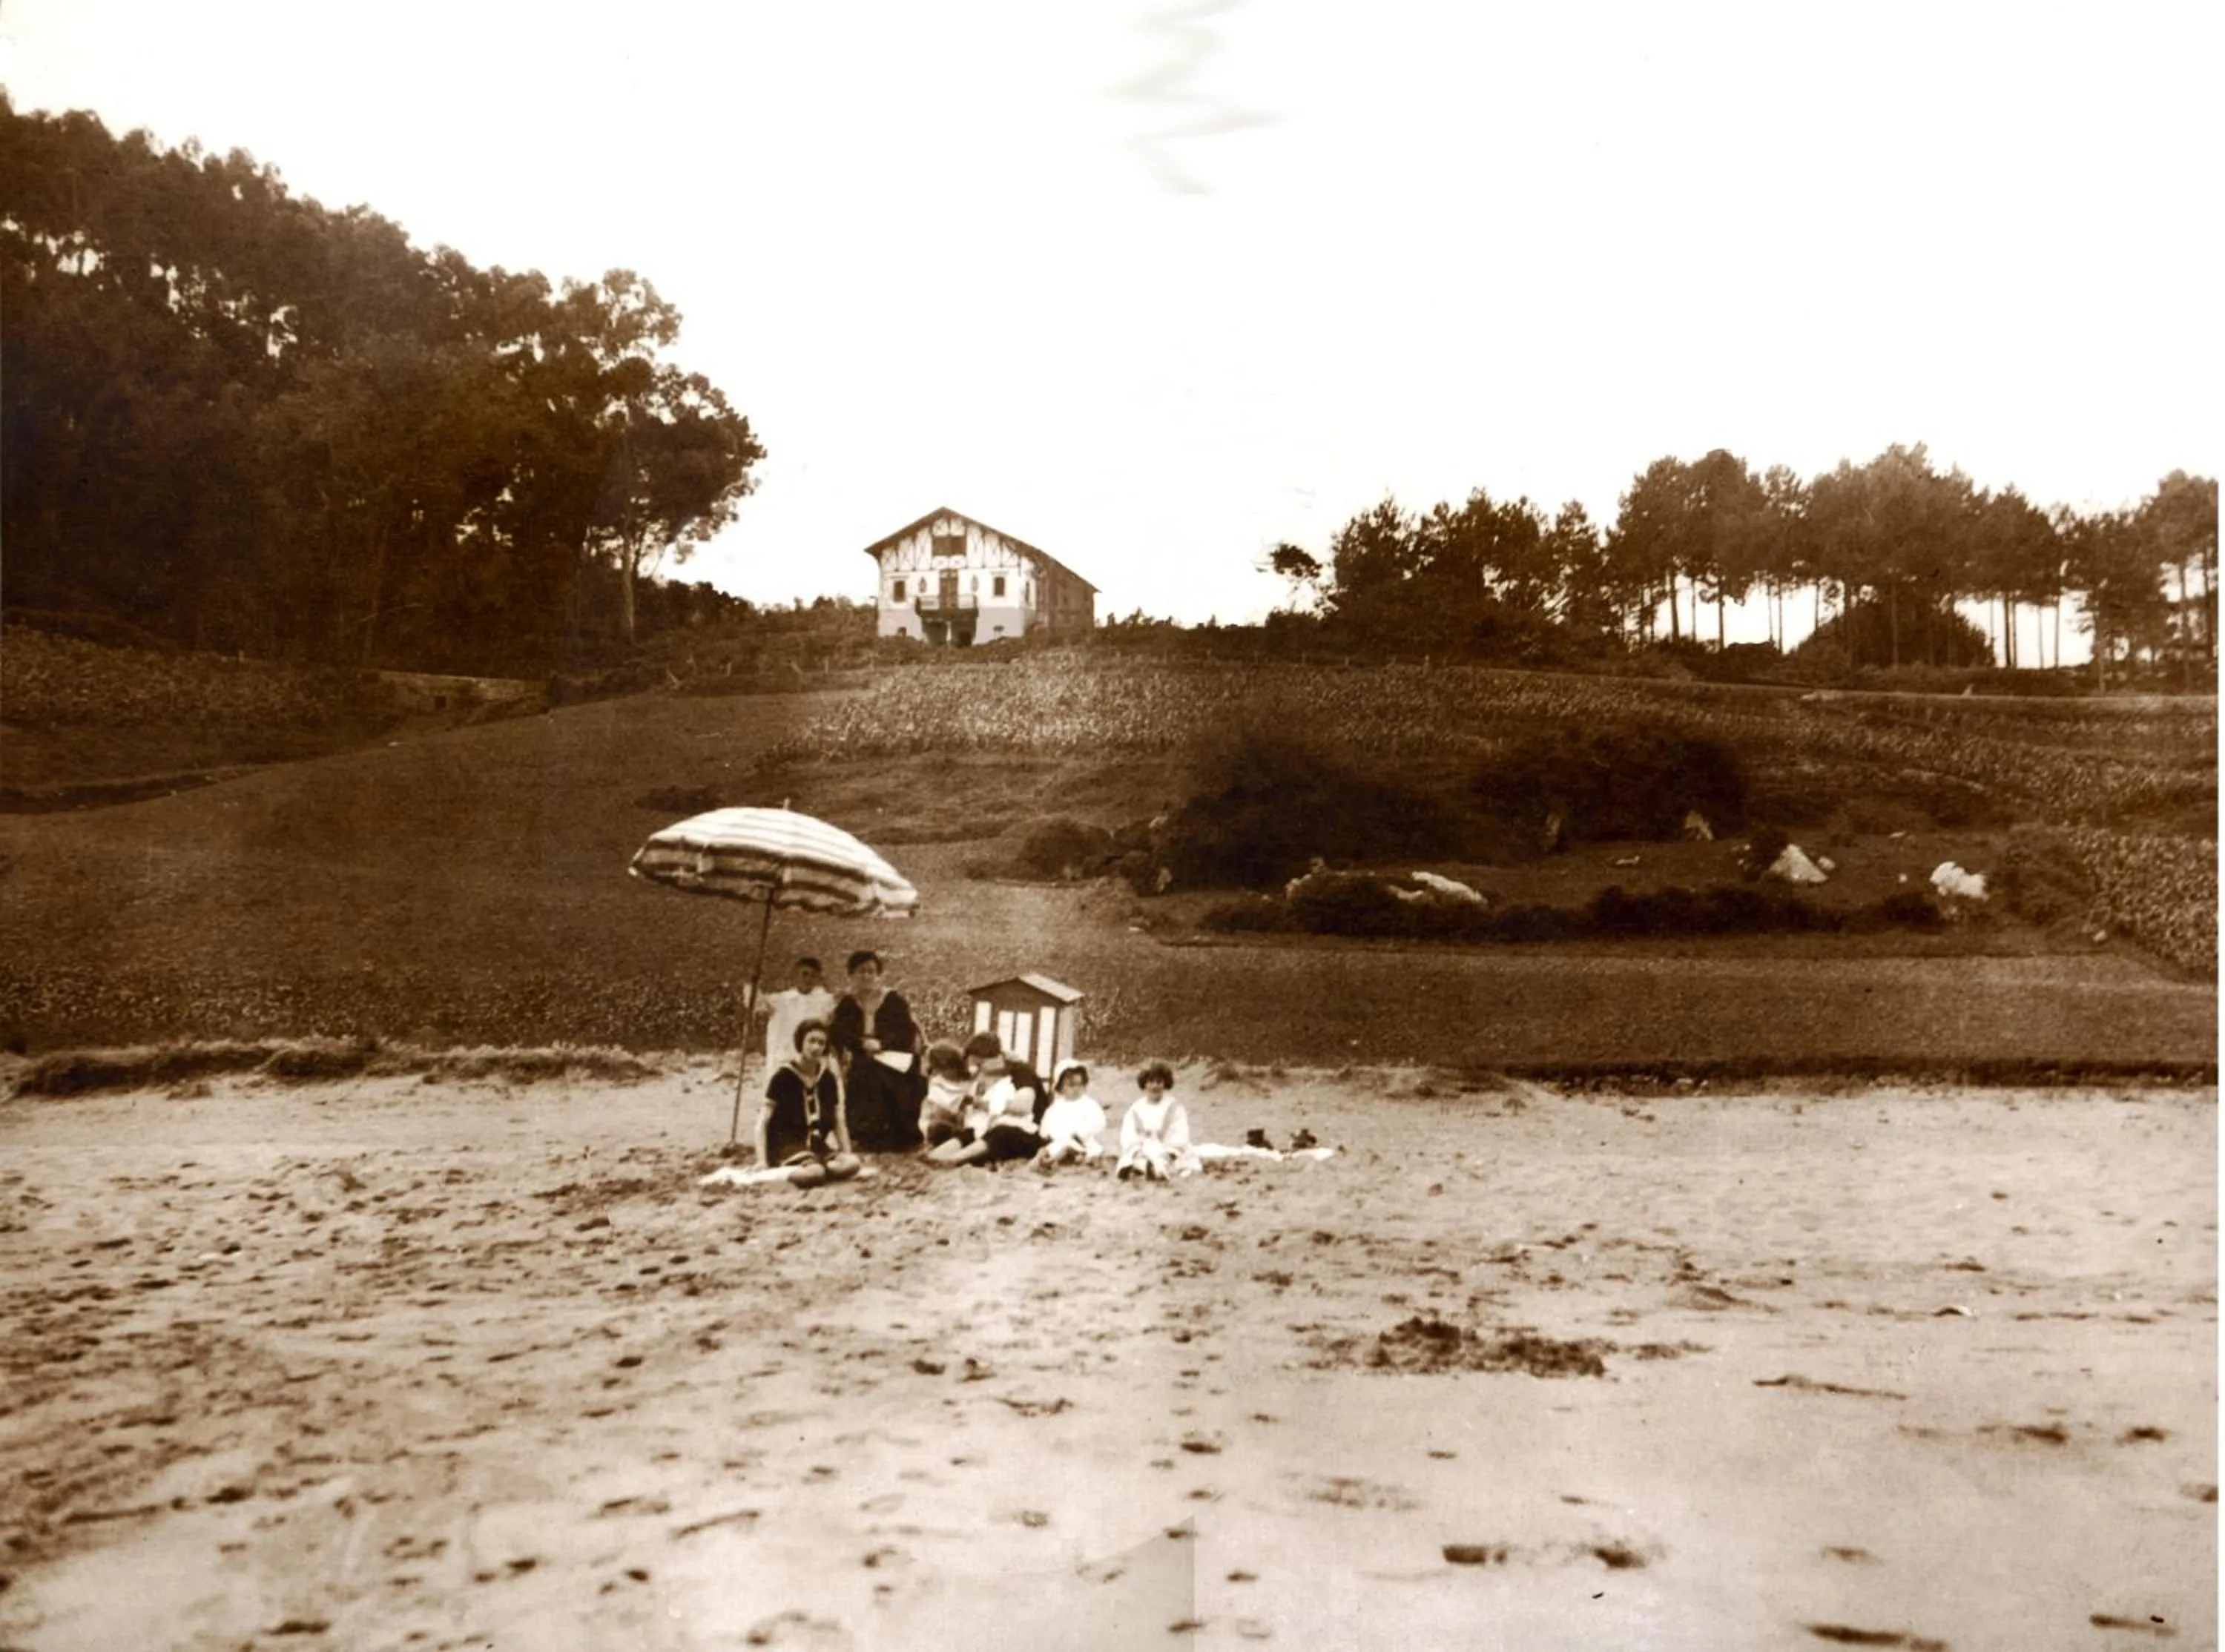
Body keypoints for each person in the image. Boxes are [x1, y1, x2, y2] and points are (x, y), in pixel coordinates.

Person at [828, 951, 925, 1152]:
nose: (867, 976)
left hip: (893, 1054)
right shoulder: (847, 1003)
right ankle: (867, 1135)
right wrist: (860, 1044)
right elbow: (840, 1032)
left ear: (878, 974)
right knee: (864, 1072)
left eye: (871, 971)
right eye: (861, 971)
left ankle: (898, 1136)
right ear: (852, 975)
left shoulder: (892, 1000)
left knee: (891, 1078)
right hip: (862, 1055)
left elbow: (906, 1031)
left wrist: (882, 1044)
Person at [754, 1020, 860, 1188]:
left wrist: (847, 1153)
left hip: (817, 1147)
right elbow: (763, 1122)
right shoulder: (783, 1077)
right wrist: (762, 1161)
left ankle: (818, 1168)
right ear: (801, 1043)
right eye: (811, 1041)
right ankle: (780, 1172)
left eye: (821, 1043)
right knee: (815, 1173)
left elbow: (838, 1121)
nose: (816, 1047)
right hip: (786, 1146)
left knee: (853, 1163)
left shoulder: (827, 1079)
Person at [1117, 1061, 1195, 1181]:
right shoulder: (1136, 1108)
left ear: (1165, 1084)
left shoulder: (1174, 1107)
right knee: (1127, 1161)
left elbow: (1181, 1133)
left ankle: (1155, 1170)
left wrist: (1170, 1152)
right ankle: (1139, 1168)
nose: (1154, 1086)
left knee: (1168, 1163)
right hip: (1143, 1149)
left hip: (1168, 1149)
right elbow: (1128, 1134)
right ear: (1144, 1084)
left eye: (1159, 1082)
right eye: (1150, 1082)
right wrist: (1136, 1150)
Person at [756, 956, 836, 1071]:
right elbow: (757, 1004)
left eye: (813, 976)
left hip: (812, 1062)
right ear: (796, 975)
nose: (808, 979)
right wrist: (752, 985)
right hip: (784, 1059)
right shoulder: (781, 1000)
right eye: (805, 974)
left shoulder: (826, 1001)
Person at [1035, 1060, 1108, 1166]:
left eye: (1080, 1085)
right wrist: (1049, 1134)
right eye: (1071, 1085)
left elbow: (1098, 1123)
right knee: (1051, 1149)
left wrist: (1080, 1134)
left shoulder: (1090, 1105)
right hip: (1059, 1142)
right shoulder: (1056, 1107)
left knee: (1089, 1151)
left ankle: (1068, 1157)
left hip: (1083, 1143)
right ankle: (1056, 1159)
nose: (1076, 1089)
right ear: (1060, 1087)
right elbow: (1046, 1127)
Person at [917, 1040, 975, 1149]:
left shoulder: (969, 1079)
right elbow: (936, 1103)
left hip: (963, 1118)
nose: (947, 1072)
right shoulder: (936, 1082)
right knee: (936, 1122)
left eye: (950, 1068)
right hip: (941, 1118)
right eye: (941, 1070)